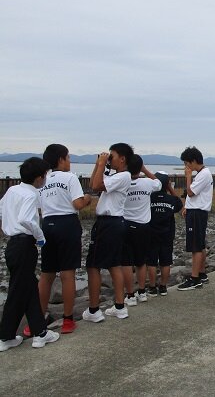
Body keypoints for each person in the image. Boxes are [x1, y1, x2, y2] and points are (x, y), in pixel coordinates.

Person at [26, 144, 92, 337]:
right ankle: (68, 320)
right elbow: (77, 203)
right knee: (67, 274)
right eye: (68, 158)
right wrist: (87, 198)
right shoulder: (70, 178)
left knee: (46, 274)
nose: (70, 161)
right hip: (67, 224)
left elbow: (38, 206)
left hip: (47, 224)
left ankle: (36, 321)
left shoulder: (42, 180)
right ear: (61, 159)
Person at [0, 157, 60, 351]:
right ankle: (13, 336)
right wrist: (40, 237)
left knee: (27, 289)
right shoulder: (31, 194)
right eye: (45, 176)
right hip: (25, 244)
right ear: (38, 178)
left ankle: (34, 333)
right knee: (19, 290)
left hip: (12, 245)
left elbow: (2, 208)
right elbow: (27, 219)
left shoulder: (12, 190)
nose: (45, 179)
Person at [83, 143, 133, 322]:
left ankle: (94, 310)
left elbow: (96, 186)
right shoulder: (117, 176)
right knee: (113, 264)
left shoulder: (123, 176)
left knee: (93, 265)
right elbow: (92, 183)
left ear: (122, 158)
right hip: (114, 223)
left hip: (107, 223)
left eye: (112, 156)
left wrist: (103, 163)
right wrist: (99, 164)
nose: (109, 159)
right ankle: (120, 307)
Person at [121, 155, 162, 305]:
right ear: (139, 168)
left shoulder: (121, 183)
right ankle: (142, 292)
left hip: (125, 224)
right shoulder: (146, 183)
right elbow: (158, 183)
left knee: (126, 262)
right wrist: (144, 169)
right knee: (141, 261)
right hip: (143, 226)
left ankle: (130, 295)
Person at [178, 146, 213, 291]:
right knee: (200, 243)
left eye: (187, 163)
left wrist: (187, 176)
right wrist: (187, 206)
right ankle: (201, 273)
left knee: (195, 246)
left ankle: (195, 279)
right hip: (197, 211)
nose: (186, 166)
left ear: (193, 161)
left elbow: (190, 192)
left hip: (197, 213)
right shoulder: (202, 173)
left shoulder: (203, 174)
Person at [147, 172, 183, 296]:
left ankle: (152, 287)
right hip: (167, 234)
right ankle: (163, 287)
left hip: (151, 233)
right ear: (167, 184)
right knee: (165, 262)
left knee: (151, 262)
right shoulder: (171, 200)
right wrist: (170, 189)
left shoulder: (149, 197)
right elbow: (179, 204)